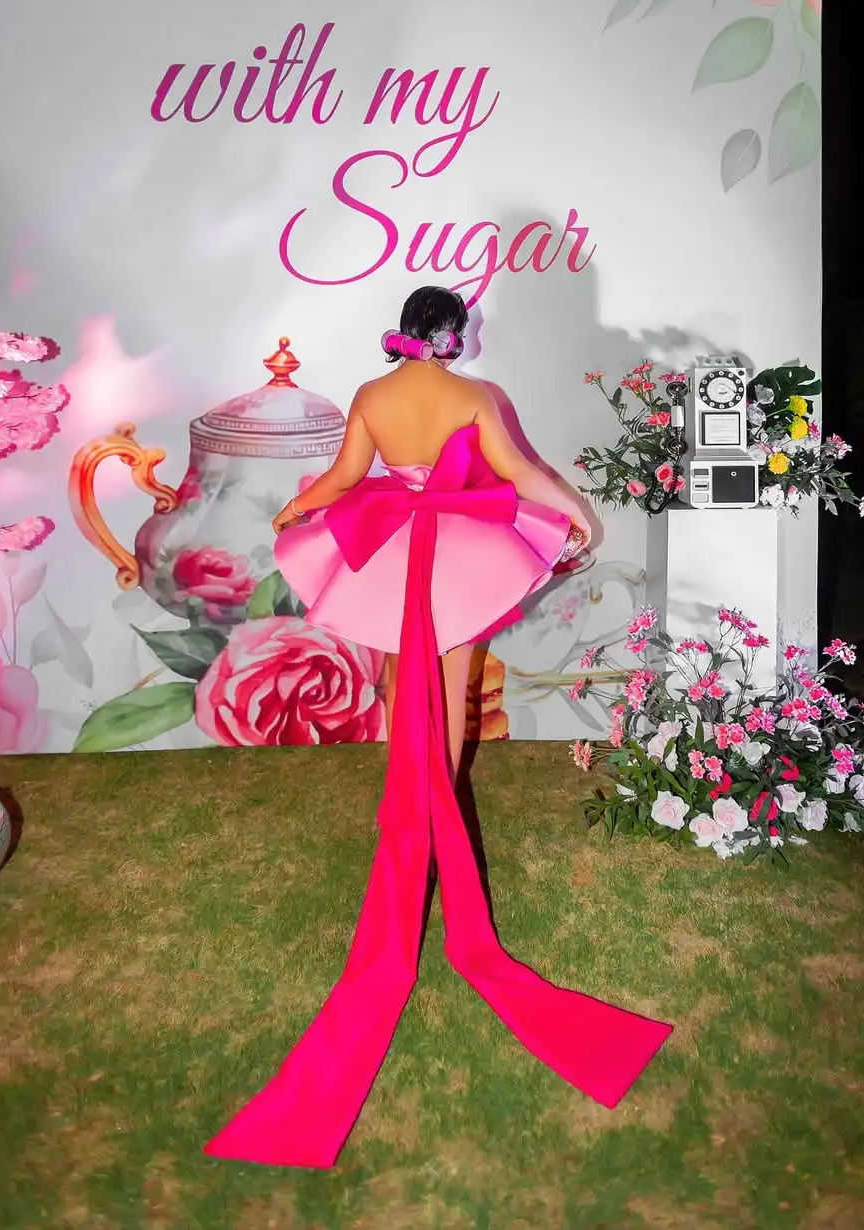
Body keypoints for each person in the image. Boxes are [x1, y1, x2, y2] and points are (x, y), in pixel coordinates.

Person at [204, 287, 671, 1170]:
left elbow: (343, 479)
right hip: (455, 545)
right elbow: (520, 475)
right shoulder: (473, 395)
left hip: (391, 544)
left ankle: (407, 796)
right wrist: (576, 513)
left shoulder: (373, 396)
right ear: (450, 337)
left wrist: (294, 513)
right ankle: (435, 796)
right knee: (451, 678)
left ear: (403, 335)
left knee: (397, 669)